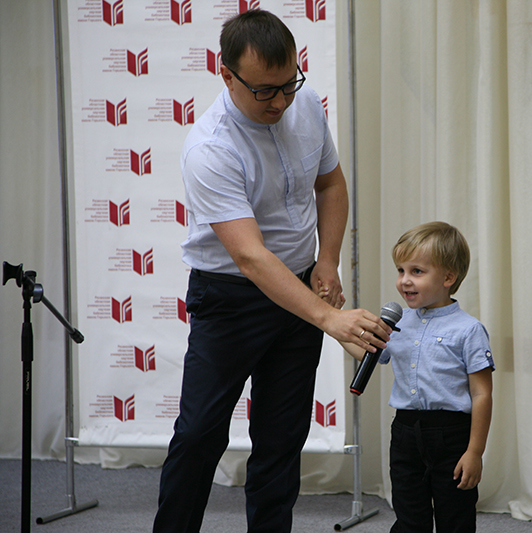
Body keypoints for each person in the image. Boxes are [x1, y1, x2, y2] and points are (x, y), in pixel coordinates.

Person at [152, 9, 391, 533]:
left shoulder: (304, 104)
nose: (280, 102)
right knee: (199, 434)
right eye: (264, 91)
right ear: (226, 75)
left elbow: (330, 184)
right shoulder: (210, 148)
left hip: (300, 287)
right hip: (230, 300)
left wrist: (326, 259)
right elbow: (251, 257)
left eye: (288, 85)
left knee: (282, 438)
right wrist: (330, 319)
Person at [338, 221, 494, 533]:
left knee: (455, 516)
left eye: (417, 271)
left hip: (451, 435)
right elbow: (371, 355)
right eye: (401, 270)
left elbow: (482, 394)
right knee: (409, 514)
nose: (404, 280)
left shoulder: (468, 329)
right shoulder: (397, 323)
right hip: (406, 431)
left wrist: (474, 452)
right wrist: (335, 326)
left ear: (448, 278)